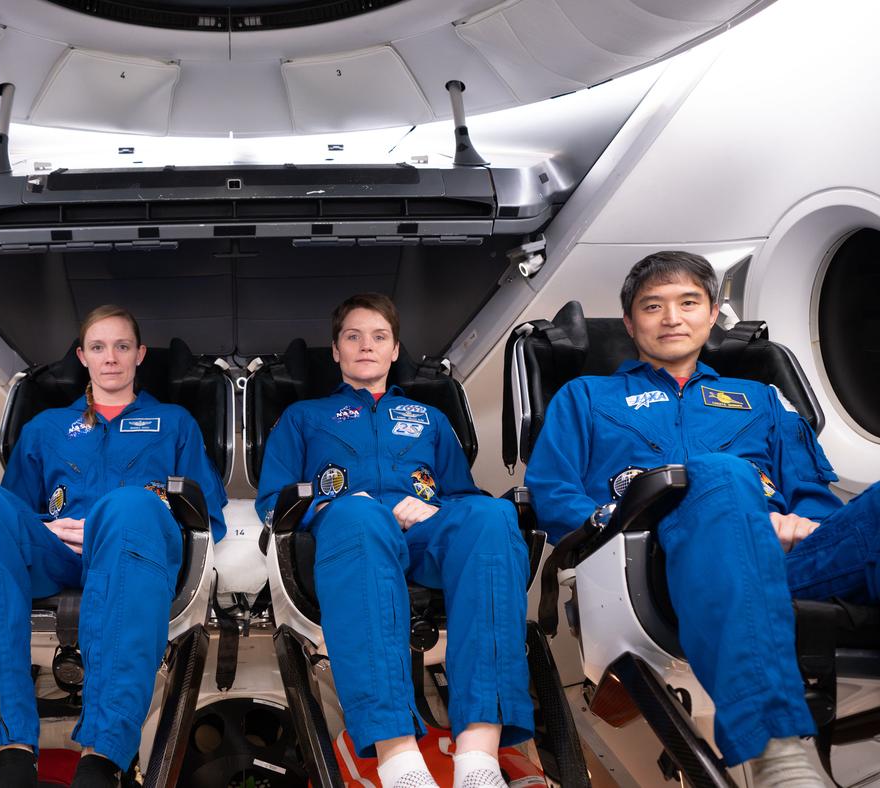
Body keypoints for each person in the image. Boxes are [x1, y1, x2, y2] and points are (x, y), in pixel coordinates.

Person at [525, 250, 880, 786]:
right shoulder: (586, 397)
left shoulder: (760, 398)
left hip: (784, 566)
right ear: (629, 322)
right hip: (656, 573)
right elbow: (554, 496)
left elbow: (810, 492)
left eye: (688, 302)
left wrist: (796, 524)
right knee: (721, 474)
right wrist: (622, 522)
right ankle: (776, 754)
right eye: (653, 306)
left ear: (712, 315)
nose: (672, 317)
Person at [0, 305, 227, 788]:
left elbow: (207, 516)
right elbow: (9, 516)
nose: (110, 357)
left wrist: (116, 521)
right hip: (54, 551)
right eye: (98, 347)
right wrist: (46, 529)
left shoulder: (174, 422)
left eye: (121, 346)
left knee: (129, 506)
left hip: (133, 553)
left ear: (139, 355)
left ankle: (101, 759)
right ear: (82, 357)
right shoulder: (45, 428)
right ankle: (7, 752)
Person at [256, 293, 533, 788]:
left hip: (424, 534)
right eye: (353, 337)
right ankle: (399, 759)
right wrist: (337, 506)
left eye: (379, 337)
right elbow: (273, 500)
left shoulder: (431, 419)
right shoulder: (303, 417)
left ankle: (478, 759)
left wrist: (434, 509)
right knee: (360, 515)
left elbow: (461, 496)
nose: (366, 346)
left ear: (394, 349)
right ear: (336, 351)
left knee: (492, 515)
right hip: (348, 535)